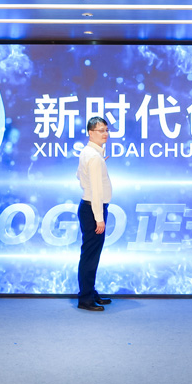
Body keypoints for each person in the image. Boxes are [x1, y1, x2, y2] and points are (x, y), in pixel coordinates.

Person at [76, 116, 113, 311]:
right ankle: (85, 298)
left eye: (106, 130)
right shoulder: (94, 157)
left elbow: (78, 175)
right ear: (90, 133)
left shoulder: (89, 153)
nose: (105, 134)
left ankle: (89, 292)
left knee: (90, 254)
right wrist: (99, 218)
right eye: (100, 130)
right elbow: (97, 192)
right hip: (93, 209)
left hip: (89, 207)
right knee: (90, 256)